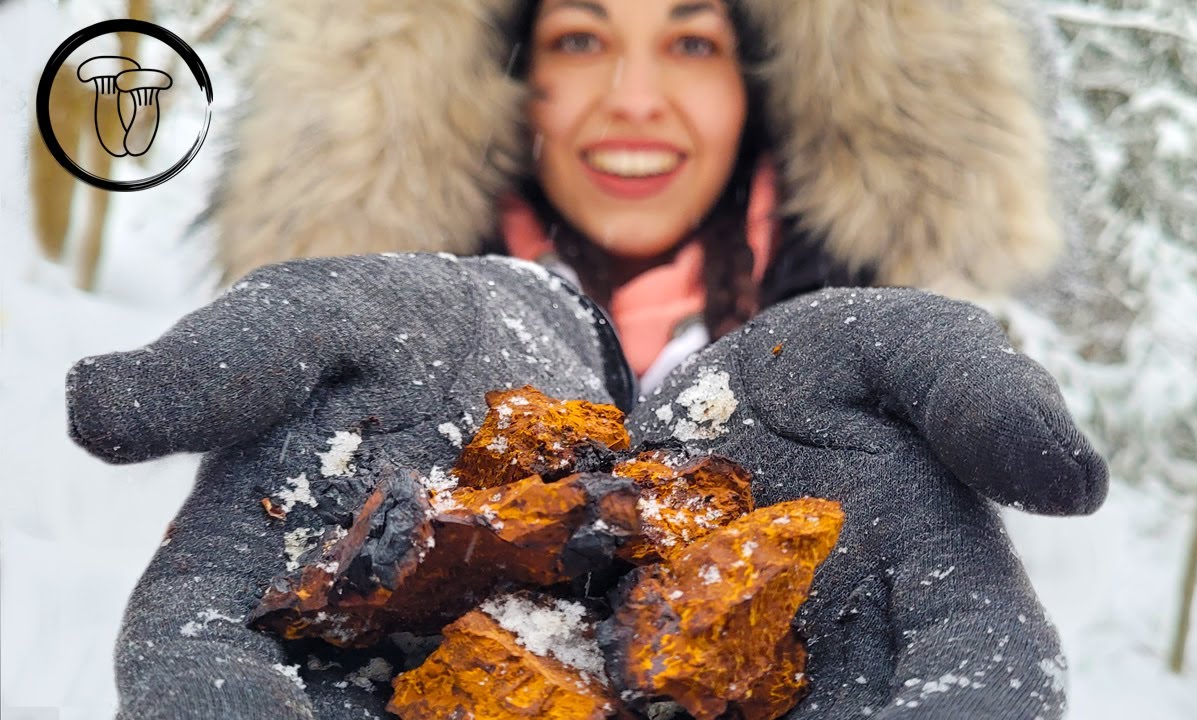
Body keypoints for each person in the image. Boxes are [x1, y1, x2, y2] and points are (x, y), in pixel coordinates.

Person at [65, 1, 1107, 718]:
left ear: (773, 87)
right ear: (497, 74)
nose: (635, 98)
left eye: (693, 43)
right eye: (577, 38)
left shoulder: (883, 408)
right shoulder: (395, 347)